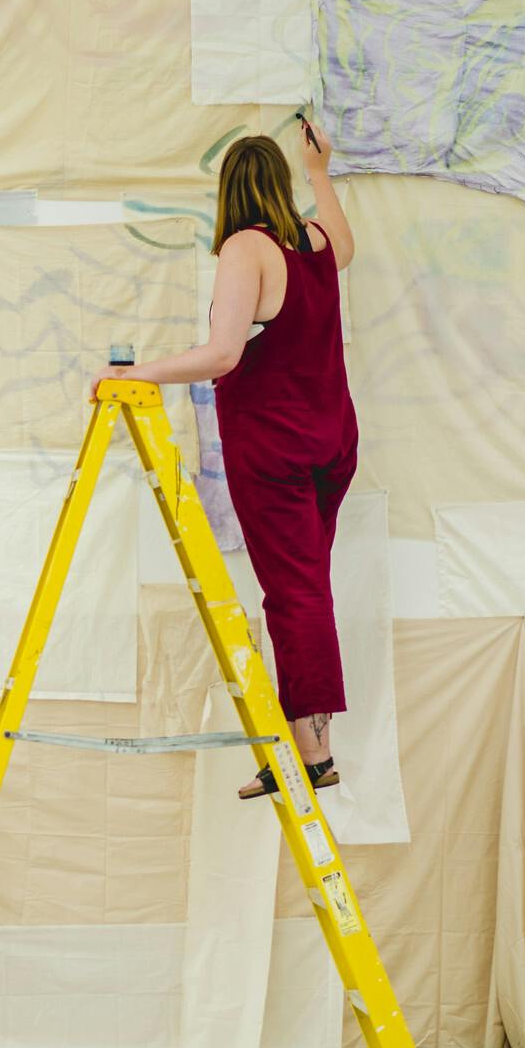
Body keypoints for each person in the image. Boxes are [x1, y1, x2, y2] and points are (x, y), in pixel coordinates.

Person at [92, 119, 358, 800]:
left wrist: (136, 373)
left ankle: (312, 754)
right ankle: (306, 746)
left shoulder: (247, 246)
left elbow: (223, 353)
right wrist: (320, 173)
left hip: (277, 444)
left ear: (229, 192)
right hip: (331, 439)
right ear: (278, 184)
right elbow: (345, 243)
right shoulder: (316, 242)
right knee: (307, 588)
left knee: (294, 594)